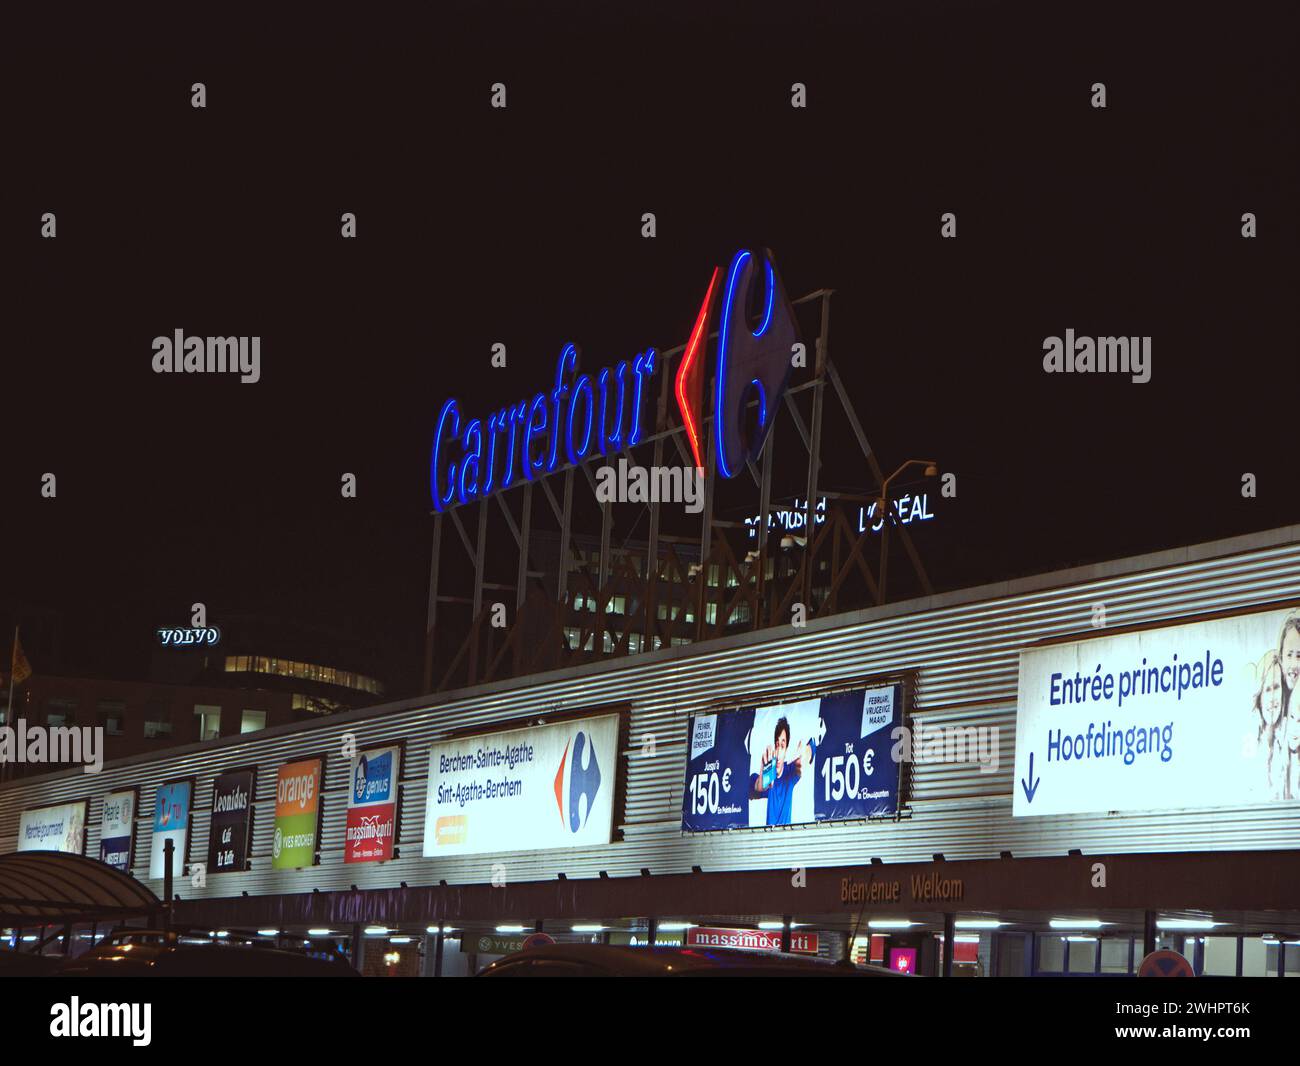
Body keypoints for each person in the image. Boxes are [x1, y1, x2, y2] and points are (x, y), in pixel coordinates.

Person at [750, 716, 815, 826]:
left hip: (786, 838)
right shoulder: (769, 773)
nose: (779, 751)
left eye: (782, 746)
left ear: (786, 750)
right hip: (767, 838)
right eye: (777, 745)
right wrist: (763, 774)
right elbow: (758, 786)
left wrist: (803, 754)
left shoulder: (790, 770)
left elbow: (811, 747)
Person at [1251, 651, 1286, 799]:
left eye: (1276, 687)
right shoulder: (1251, 745)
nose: (1272, 698)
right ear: (1259, 697)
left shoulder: (1289, 738)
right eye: (1267, 690)